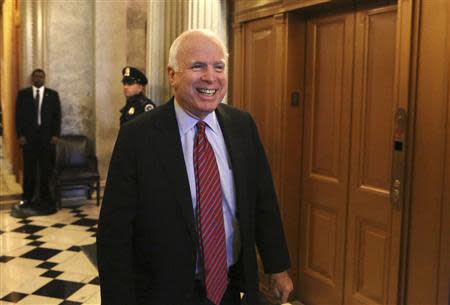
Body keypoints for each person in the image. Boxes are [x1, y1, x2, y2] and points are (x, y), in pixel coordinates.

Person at [97, 29, 293, 305]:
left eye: (219, 67)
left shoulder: (242, 125)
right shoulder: (137, 137)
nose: (210, 77)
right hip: (162, 292)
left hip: (228, 288)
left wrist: (277, 266)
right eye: (197, 66)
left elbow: (263, 202)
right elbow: (114, 233)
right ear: (172, 75)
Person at [12, 68, 61, 217]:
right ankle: (27, 197)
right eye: (36, 76)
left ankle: (45, 198)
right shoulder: (23, 94)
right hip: (29, 139)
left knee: (46, 169)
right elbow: (18, 116)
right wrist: (20, 135)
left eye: (41, 76)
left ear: (44, 78)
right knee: (29, 170)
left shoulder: (52, 95)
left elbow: (57, 117)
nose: (38, 78)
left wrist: (55, 135)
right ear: (32, 78)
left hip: (47, 139)